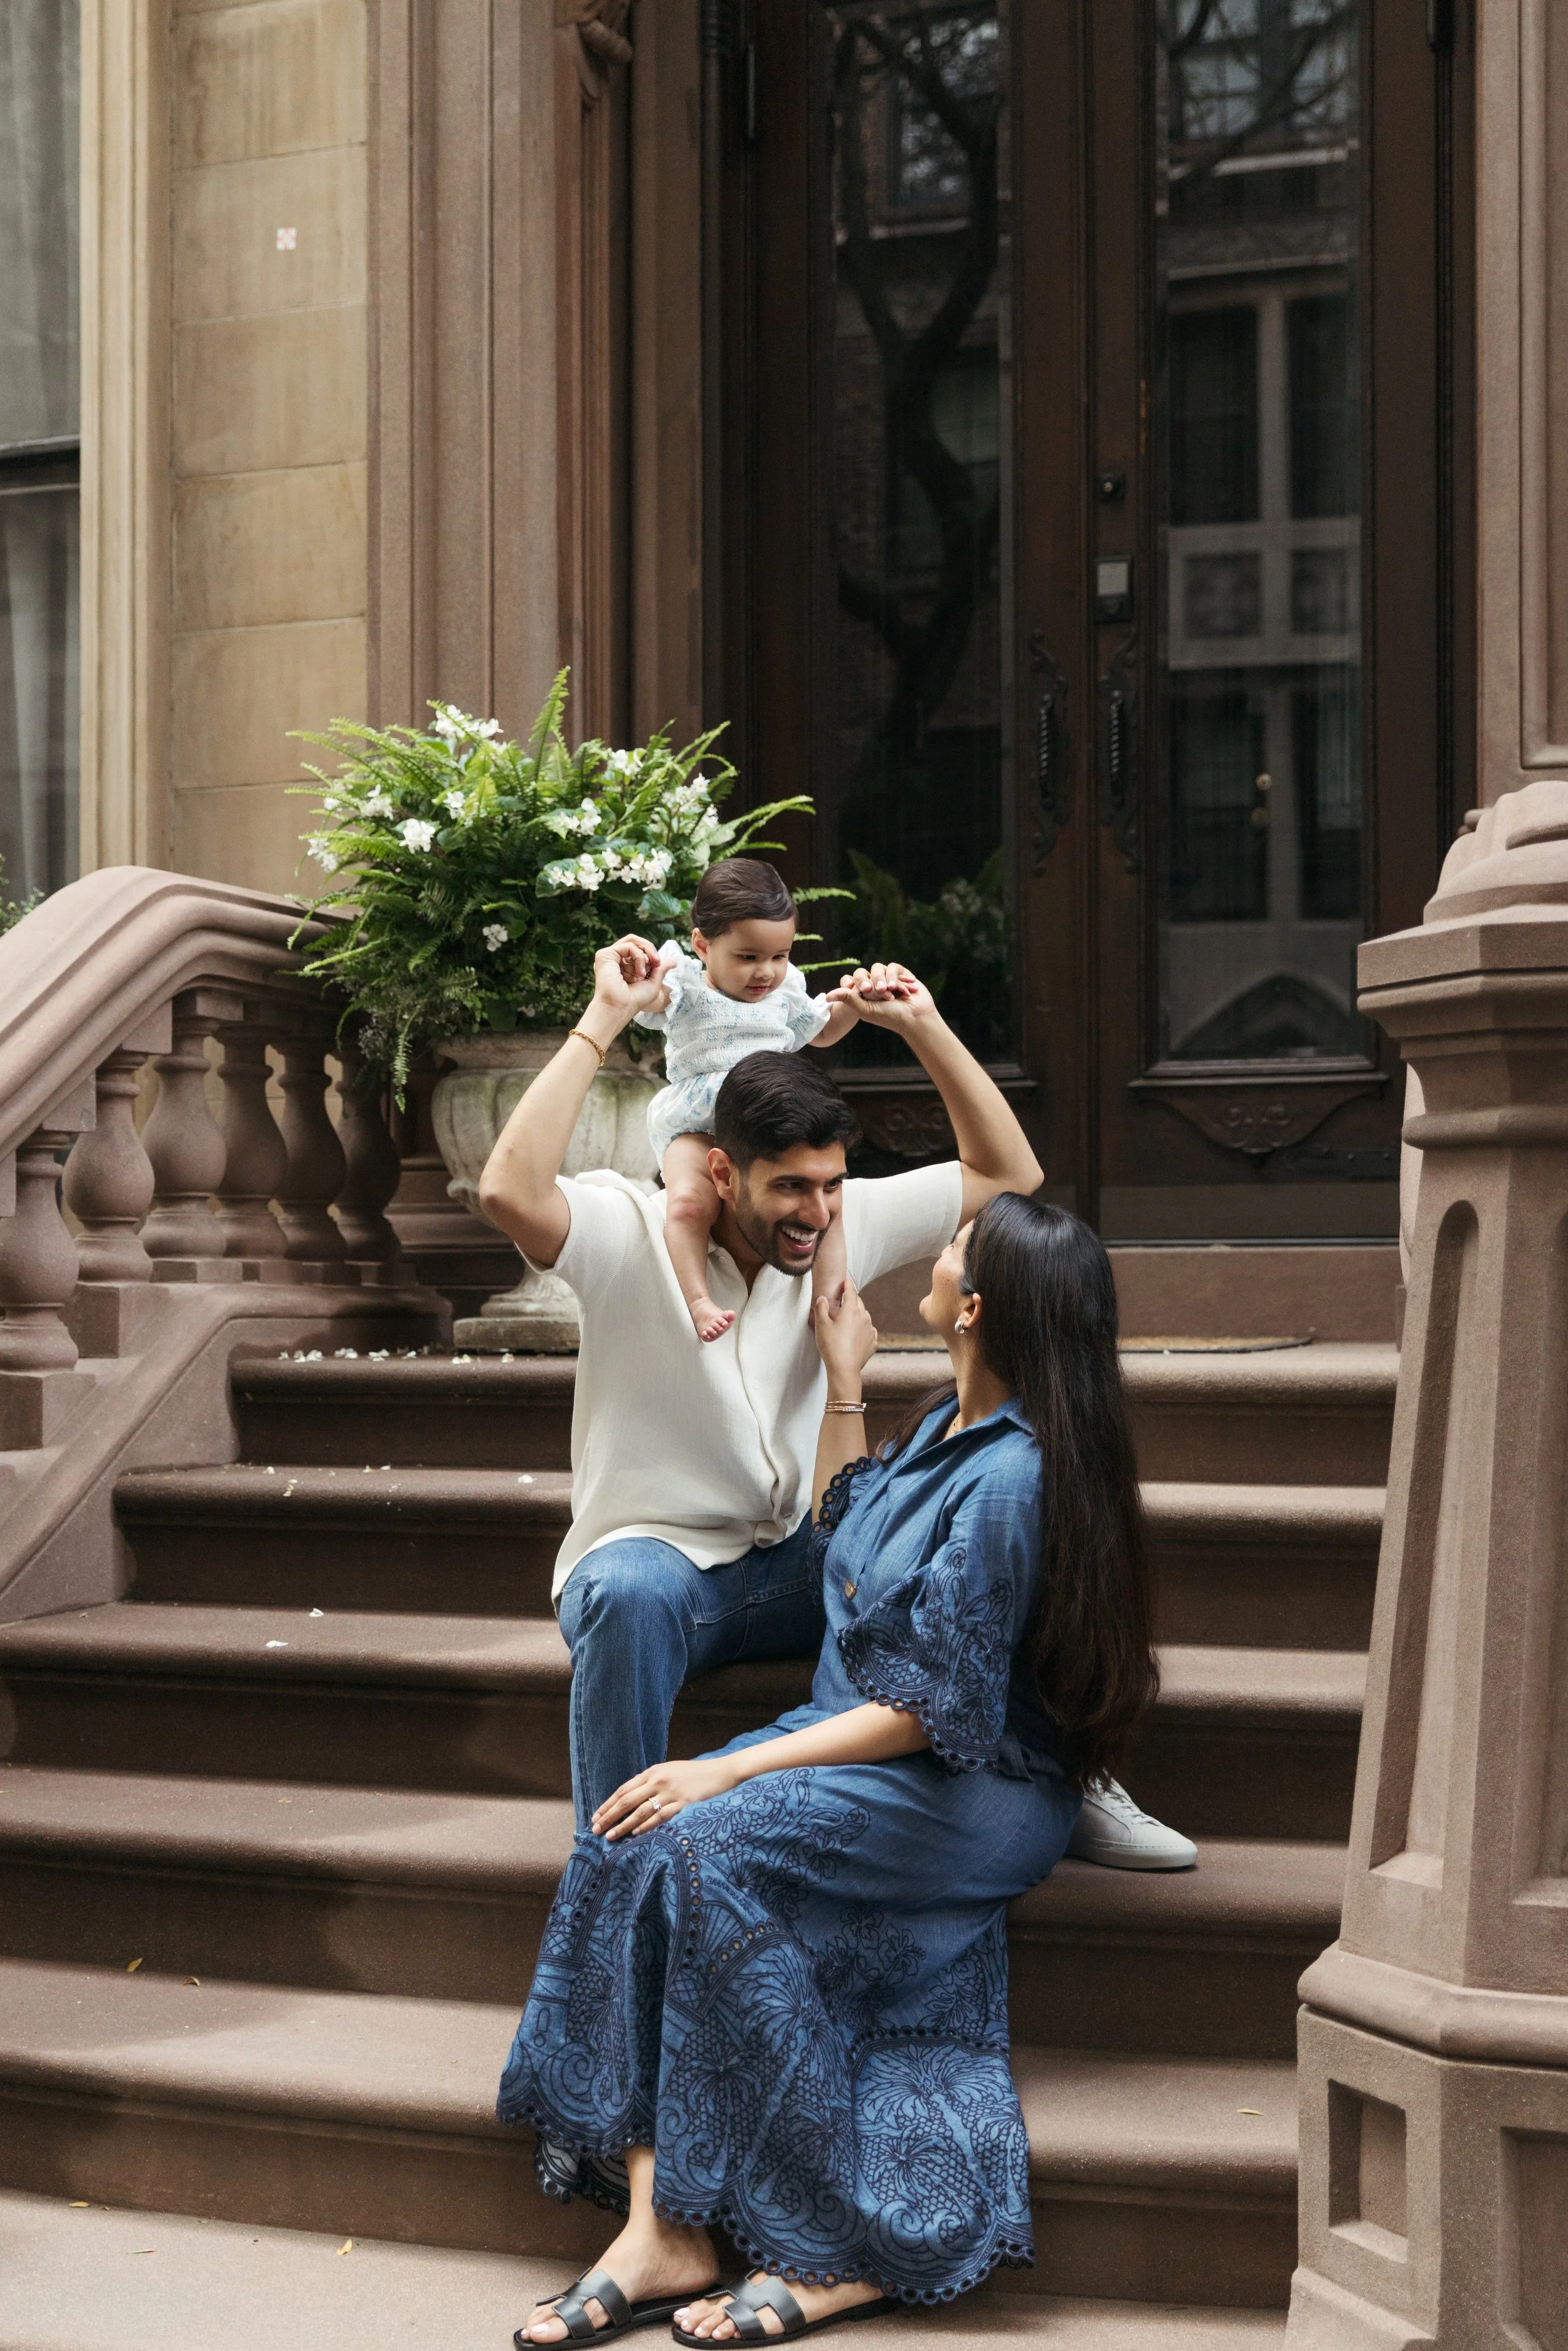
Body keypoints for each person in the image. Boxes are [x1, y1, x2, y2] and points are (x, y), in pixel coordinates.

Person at [499, 1194, 1161, 2344]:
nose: (940, 1250)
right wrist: (842, 1374)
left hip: (971, 1783)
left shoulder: (1014, 1476)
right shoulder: (943, 1427)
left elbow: (929, 1708)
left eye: (957, 1244)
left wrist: (721, 1769)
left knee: (693, 1833)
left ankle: (840, 2235)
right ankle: (666, 2225)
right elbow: (841, 1538)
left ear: (979, 1303)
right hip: (871, 1740)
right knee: (632, 1832)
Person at [475, 937, 1197, 1865]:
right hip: (666, 1576)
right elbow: (506, 1189)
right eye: (790, 1189)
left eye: (830, 1186)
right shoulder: (631, 1231)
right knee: (625, 1594)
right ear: (726, 1175)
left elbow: (1011, 1177)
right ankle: (610, 1870)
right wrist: (604, 1018)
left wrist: (925, 1028)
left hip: (797, 1564)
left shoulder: (834, 1223)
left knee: (977, 1527)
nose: (815, 1213)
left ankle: (1049, 1765)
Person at [638, 857, 871, 1344]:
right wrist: (642, 976)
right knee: (685, 1202)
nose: (766, 972)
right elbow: (650, 1000)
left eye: (780, 956)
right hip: (697, 1126)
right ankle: (698, 1299)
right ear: (703, 944)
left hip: (769, 1127)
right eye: (748, 957)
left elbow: (823, 1031)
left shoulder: (786, 992)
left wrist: (855, 1004)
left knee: (826, 1206)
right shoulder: (683, 986)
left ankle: (828, 1303)